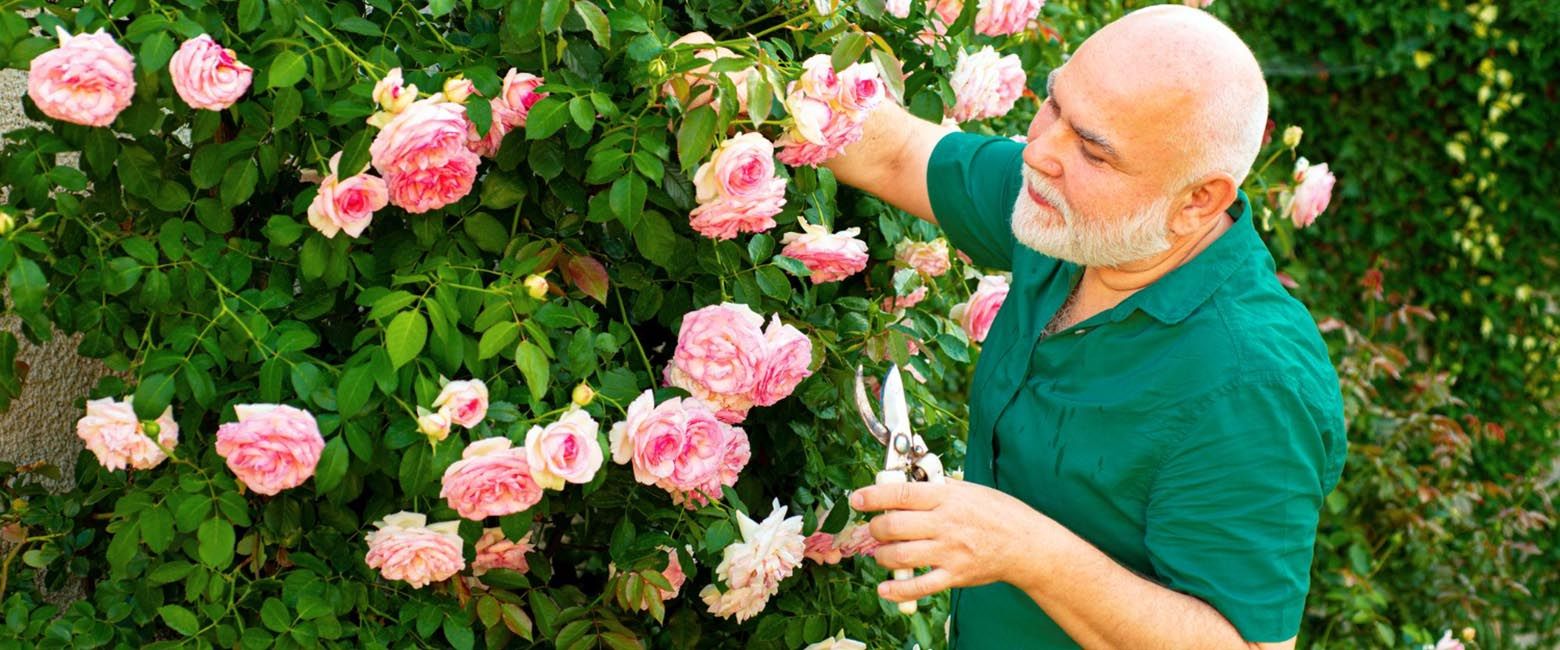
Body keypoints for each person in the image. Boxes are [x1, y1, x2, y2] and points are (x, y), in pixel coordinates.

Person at [837, 5, 1347, 649]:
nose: (1040, 151)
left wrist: (1026, 549)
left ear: (1197, 201)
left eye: (1094, 152)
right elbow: (897, 154)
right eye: (1054, 106)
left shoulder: (1250, 384)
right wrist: (733, 80)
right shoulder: (1071, 215)